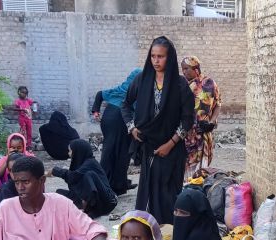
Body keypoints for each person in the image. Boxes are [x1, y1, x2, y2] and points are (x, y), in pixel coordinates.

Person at [122, 36, 194, 225]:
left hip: (172, 151)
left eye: (160, 56)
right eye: (153, 56)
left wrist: (170, 144)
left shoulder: (179, 85)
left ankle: (170, 235)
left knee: (168, 195)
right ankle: (149, 234)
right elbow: (125, 105)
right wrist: (132, 128)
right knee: (148, 194)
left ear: (169, 58)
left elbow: (188, 119)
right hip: (149, 149)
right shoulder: (142, 79)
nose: (156, 61)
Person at [91, 68, 141, 195]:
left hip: (113, 119)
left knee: (117, 152)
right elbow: (100, 94)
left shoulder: (121, 89)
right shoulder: (135, 91)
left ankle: (118, 184)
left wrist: (96, 111)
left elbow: (99, 94)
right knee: (116, 153)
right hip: (118, 119)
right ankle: (106, 186)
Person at [49, 139, 117, 218]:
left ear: (78, 151)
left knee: (89, 175)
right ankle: (84, 206)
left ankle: (87, 209)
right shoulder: (81, 163)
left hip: (106, 201)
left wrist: (55, 171)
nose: (69, 154)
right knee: (59, 193)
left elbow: (73, 176)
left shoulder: (90, 163)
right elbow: (73, 178)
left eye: (70, 151)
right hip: (88, 199)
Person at [181, 56, 221, 180]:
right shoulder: (182, 86)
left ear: (196, 68)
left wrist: (212, 121)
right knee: (186, 168)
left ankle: (197, 192)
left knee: (201, 170)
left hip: (204, 134)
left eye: (186, 68)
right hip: (187, 134)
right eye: (182, 69)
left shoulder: (209, 83)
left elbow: (218, 104)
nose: (184, 72)